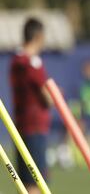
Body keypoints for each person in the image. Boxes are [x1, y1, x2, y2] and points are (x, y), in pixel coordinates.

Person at [9, 18, 52, 194]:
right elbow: (47, 98)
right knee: (35, 181)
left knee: (26, 182)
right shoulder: (31, 62)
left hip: (20, 125)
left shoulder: (15, 61)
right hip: (35, 127)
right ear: (39, 36)